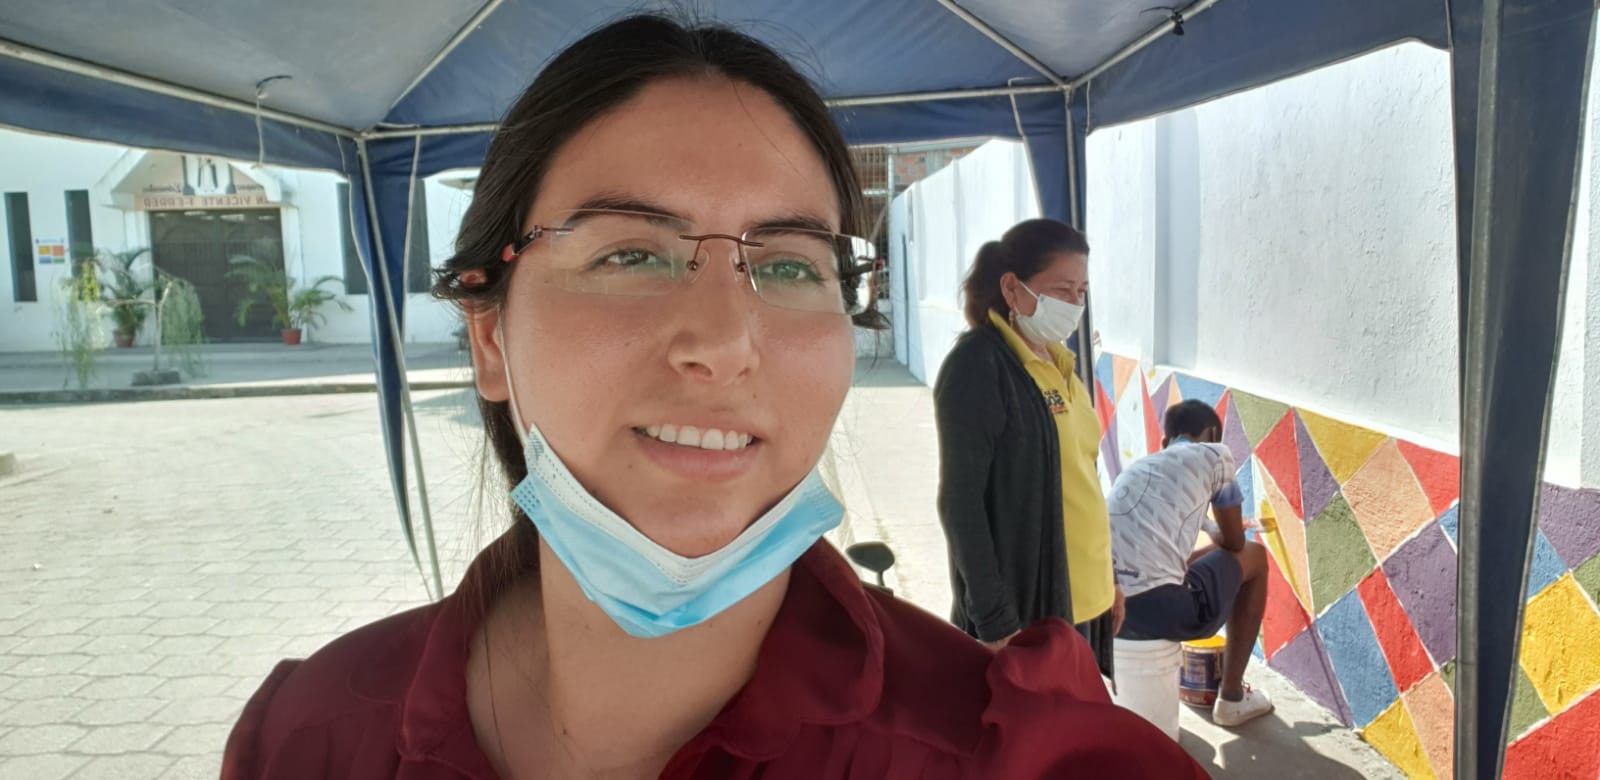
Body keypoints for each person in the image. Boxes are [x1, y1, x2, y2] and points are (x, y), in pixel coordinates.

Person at [221, 14, 1204, 779]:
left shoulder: (997, 751)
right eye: (630, 253)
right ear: (490, 338)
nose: (724, 343)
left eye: (788, 266)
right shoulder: (310, 741)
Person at [933, 219, 1122, 677]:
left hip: (1089, 599)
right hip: (1032, 610)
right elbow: (961, 501)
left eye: (1081, 291)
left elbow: (1082, 479)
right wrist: (995, 618)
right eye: (1061, 289)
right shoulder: (979, 365)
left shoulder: (1061, 361)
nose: (1074, 304)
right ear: (1012, 288)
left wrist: (1110, 580)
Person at [1108, 399, 1275, 727]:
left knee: (1193, 567)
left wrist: (1211, 530)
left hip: (1107, 609)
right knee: (1255, 556)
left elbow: (1170, 563)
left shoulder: (1139, 469)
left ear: (1165, 441)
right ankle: (1232, 700)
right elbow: (1235, 545)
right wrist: (1219, 528)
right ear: (1211, 434)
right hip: (1159, 611)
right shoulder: (1216, 455)